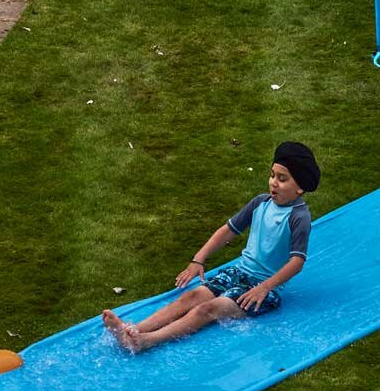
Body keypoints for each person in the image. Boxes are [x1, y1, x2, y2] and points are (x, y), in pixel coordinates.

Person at [102, 141, 320, 352]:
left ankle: (146, 341)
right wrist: (199, 259)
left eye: (282, 179)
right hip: (238, 272)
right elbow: (227, 230)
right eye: (272, 175)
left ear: (300, 187)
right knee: (191, 297)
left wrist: (264, 288)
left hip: (265, 290)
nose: (273, 182)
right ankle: (133, 330)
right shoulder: (261, 202)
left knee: (207, 309)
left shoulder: (299, 217)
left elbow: (297, 262)